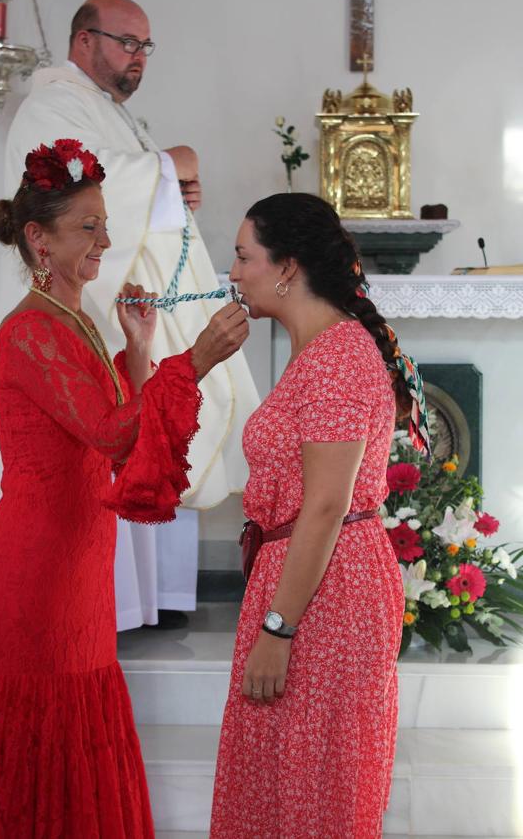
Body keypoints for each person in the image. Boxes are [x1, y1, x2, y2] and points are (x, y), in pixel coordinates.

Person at [0, 140, 249, 837]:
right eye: (88, 228)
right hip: (36, 572)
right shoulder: (30, 334)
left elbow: (112, 429)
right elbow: (109, 434)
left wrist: (137, 343)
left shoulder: (73, 321)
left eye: (104, 223)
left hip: (73, 564)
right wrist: (190, 359)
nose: (107, 240)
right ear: (38, 239)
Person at [0, 0, 260, 628]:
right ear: (83, 41)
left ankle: (144, 601)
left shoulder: (103, 110)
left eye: (146, 47)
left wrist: (170, 187)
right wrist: (166, 169)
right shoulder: (52, 103)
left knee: (140, 423)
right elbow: (73, 200)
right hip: (82, 311)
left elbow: (124, 193)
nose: (139, 58)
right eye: (128, 42)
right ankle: (117, 607)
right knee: (107, 441)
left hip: (120, 306)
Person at [210, 194, 430, 839]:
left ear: (287, 267)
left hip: (325, 598)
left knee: (315, 791)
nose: (233, 271)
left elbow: (327, 504)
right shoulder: (319, 351)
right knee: (280, 780)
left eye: (244, 255)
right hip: (306, 582)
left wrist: (278, 629)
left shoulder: (336, 357)